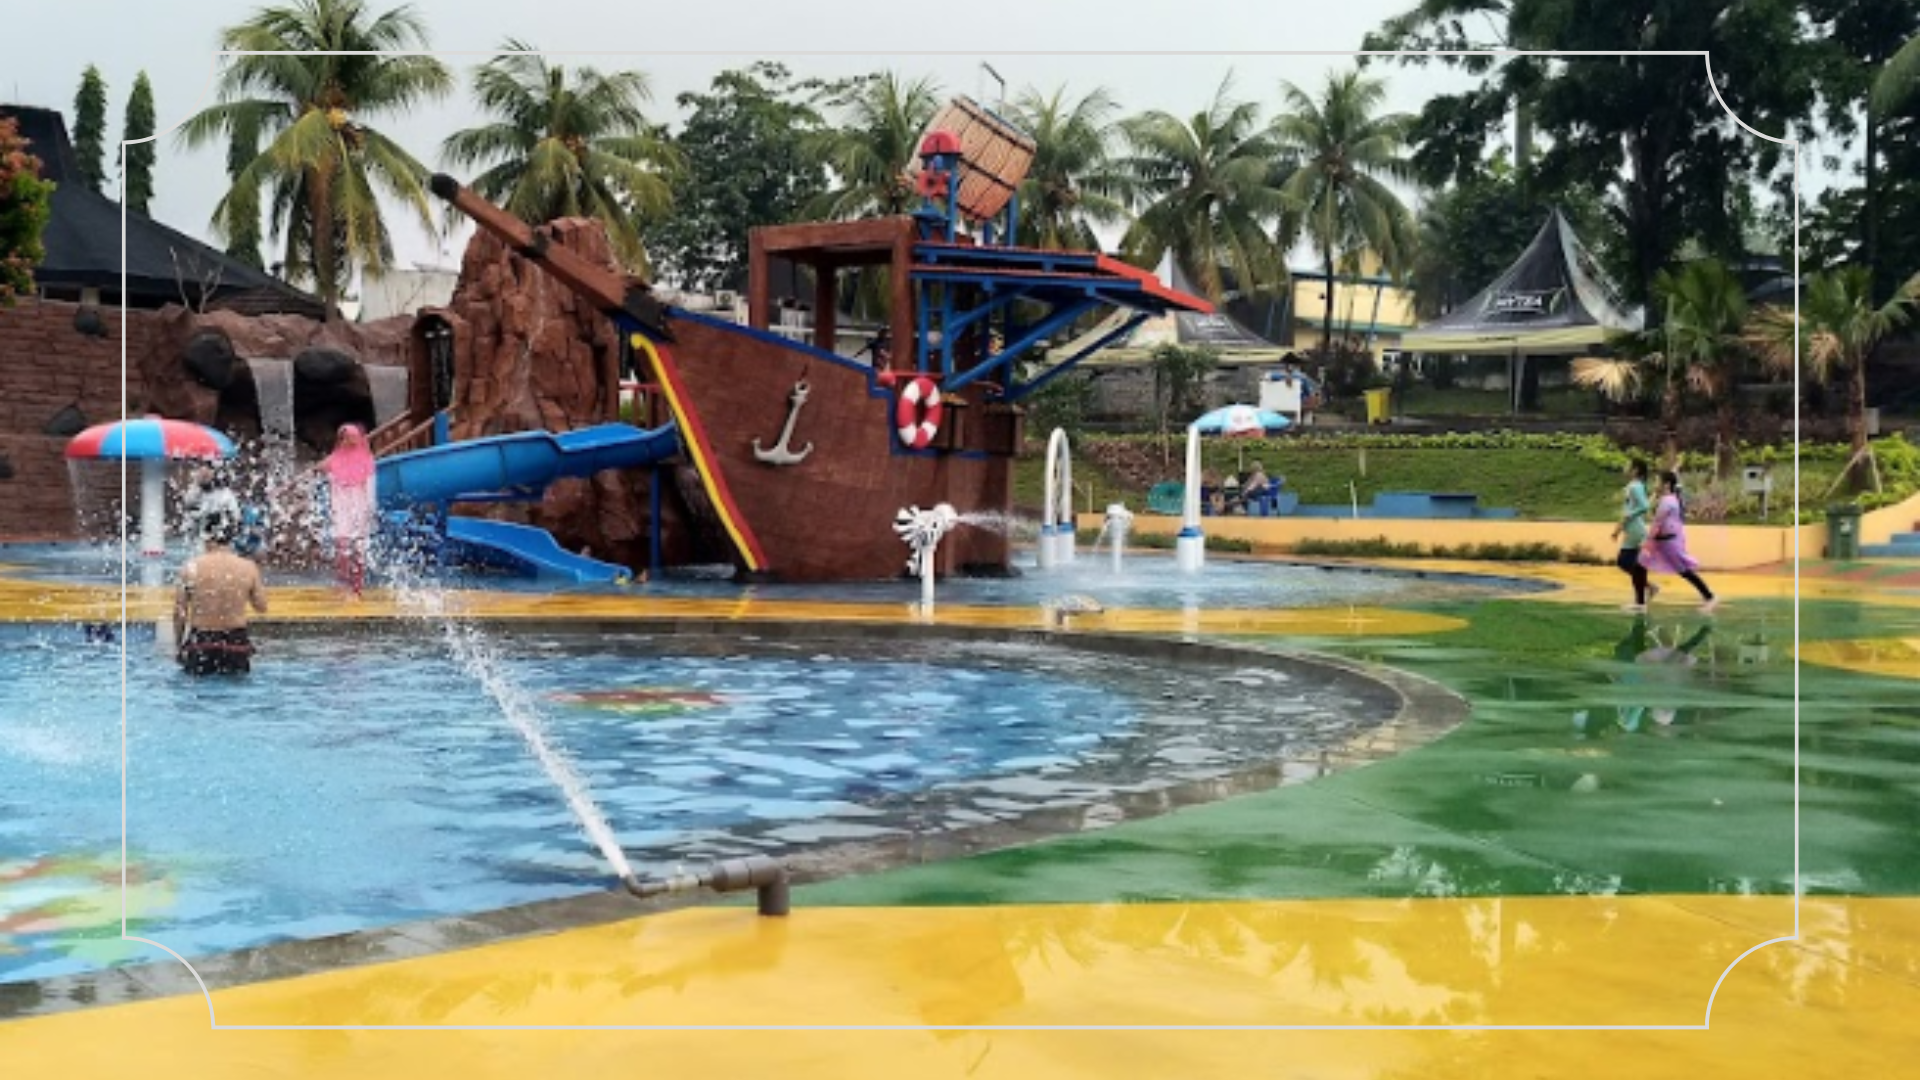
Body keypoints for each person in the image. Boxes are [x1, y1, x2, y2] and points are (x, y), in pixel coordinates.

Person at [173, 509, 267, 676]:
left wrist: (178, 646)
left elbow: (179, 613)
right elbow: (261, 607)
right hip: (236, 644)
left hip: (201, 643)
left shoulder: (190, 568)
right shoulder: (248, 567)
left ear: (206, 535)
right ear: (232, 537)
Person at [1641, 470, 1717, 613]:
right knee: (1640, 564)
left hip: (1668, 543)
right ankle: (1646, 593)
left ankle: (1710, 597)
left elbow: (1656, 524)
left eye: (1658, 481)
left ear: (1667, 484)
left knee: (1684, 571)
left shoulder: (1668, 502)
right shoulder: (1668, 499)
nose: (1655, 484)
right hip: (1665, 542)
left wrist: (1648, 543)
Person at [323, 423, 378, 600]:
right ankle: (343, 584)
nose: (349, 440)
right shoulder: (333, 460)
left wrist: (369, 511)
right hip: (341, 508)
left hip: (359, 508)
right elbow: (325, 479)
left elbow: (370, 489)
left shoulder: (367, 460)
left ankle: (357, 585)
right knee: (342, 547)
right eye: (345, 437)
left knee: (359, 549)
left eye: (352, 437)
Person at [1610, 459, 1655, 611]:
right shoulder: (1634, 486)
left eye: (1628, 466)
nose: (1625, 468)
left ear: (1635, 470)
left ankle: (1640, 601)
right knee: (1624, 561)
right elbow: (1631, 507)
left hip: (1636, 529)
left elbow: (1644, 506)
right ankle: (1648, 589)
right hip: (1631, 528)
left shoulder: (1635, 486)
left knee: (1631, 563)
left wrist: (1629, 516)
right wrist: (1619, 528)